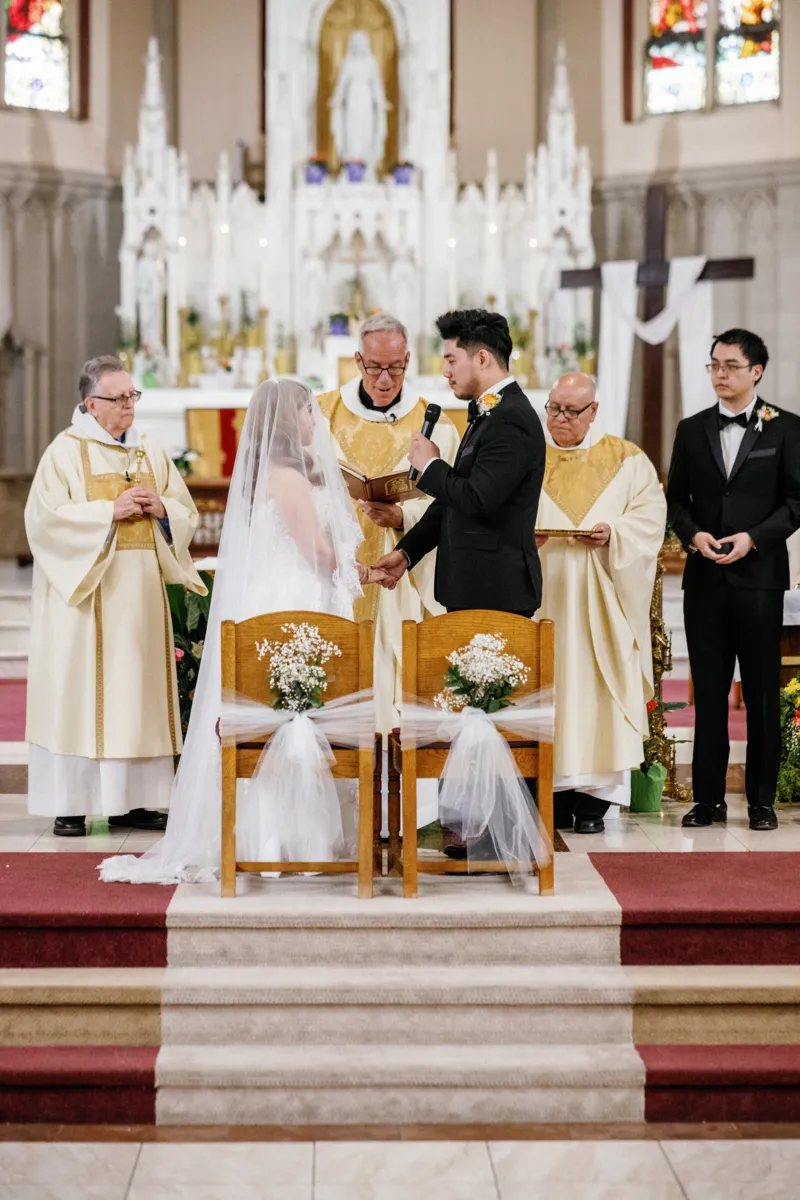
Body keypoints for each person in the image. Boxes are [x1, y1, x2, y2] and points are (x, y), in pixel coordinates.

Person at [101, 380, 382, 883]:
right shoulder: (288, 478)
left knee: (287, 719)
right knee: (291, 718)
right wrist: (359, 569)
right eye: (306, 413)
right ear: (285, 421)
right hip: (295, 602)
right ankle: (285, 840)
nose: (314, 423)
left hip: (281, 596)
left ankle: (273, 836)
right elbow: (316, 554)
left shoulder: (266, 473)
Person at [25, 355, 206, 836]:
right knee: (81, 697)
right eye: (119, 398)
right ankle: (72, 803)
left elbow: (184, 512)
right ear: (90, 403)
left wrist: (161, 508)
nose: (129, 405)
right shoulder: (63, 453)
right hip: (86, 600)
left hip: (141, 600)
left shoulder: (148, 452)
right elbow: (45, 522)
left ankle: (135, 801)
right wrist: (110, 511)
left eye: (133, 396)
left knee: (138, 697)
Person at [666, 328, 800, 832]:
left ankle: (762, 802)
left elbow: (797, 501)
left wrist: (755, 538)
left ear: (756, 372)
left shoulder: (786, 429)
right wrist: (694, 534)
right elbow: (676, 499)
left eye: (731, 366)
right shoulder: (691, 429)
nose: (720, 375)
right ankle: (709, 800)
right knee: (711, 695)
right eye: (714, 365)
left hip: (760, 579)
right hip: (704, 582)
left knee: (762, 693)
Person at [318, 314, 459, 738]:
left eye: (395, 367)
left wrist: (401, 517)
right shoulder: (322, 414)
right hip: (337, 573)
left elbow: (452, 504)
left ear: (409, 360)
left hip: (406, 578)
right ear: (357, 361)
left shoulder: (436, 424)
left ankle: (406, 790)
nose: (384, 379)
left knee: (402, 691)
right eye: (374, 367)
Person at [537, 373, 666, 834]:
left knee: (598, 688)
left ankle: (593, 802)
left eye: (572, 411)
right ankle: (545, 795)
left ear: (593, 411)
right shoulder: (525, 454)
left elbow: (650, 518)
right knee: (547, 687)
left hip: (603, 599)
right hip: (542, 596)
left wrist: (615, 534)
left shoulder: (627, 459)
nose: (560, 419)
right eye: (554, 408)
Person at [376, 309, 545, 617]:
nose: (445, 371)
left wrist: (431, 466)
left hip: (496, 592)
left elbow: (477, 499)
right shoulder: (491, 412)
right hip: (475, 589)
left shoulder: (511, 419)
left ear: (482, 358)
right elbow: (452, 502)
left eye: (452, 360)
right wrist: (406, 554)